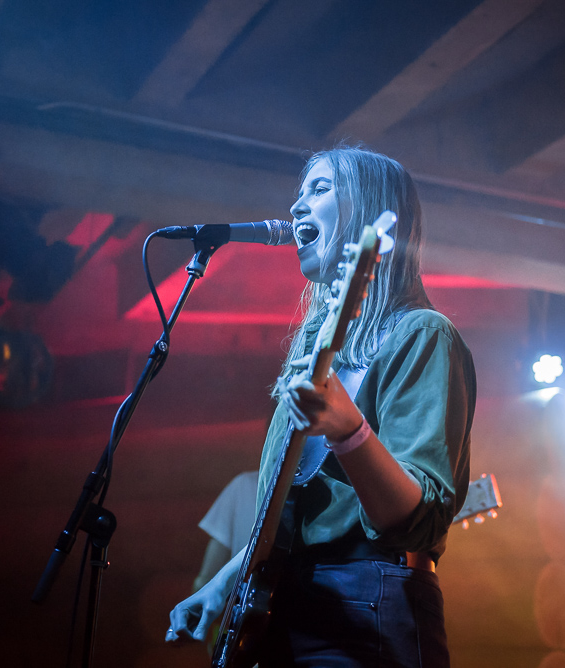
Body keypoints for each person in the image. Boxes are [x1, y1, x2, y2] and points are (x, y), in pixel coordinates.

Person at [165, 144, 475, 667]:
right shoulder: (317, 360)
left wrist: (348, 431)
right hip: (290, 606)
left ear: (368, 211)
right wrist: (223, 585)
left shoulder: (422, 334)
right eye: (299, 192)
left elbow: (416, 521)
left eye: (321, 188)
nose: (297, 207)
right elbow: (291, 521)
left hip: (368, 610)